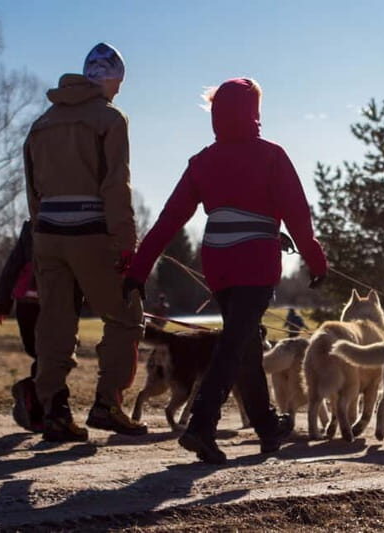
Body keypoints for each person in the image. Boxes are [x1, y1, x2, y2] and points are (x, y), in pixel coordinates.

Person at [124, 78, 327, 464]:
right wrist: (316, 261)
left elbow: (168, 221)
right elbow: (300, 216)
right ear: (255, 112)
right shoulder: (271, 156)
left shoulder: (203, 161)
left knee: (245, 342)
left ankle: (268, 427)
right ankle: (202, 424)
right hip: (255, 264)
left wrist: (138, 270)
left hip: (218, 263)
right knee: (234, 344)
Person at [24, 43, 146, 442]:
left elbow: (32, 189)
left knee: (55, 323)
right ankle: (107, 404)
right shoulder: (109, 118)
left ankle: (54, 410)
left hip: (47, 235)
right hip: (91, 232)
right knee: (126, 314)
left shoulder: (42, 123)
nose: (119, 90)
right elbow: (115, 186)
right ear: (109, 79)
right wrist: (127, 244)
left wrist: (40, 231)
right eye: (118, 82)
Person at [0, 220, 84, 433]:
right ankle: (37, 402)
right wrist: (2, 303)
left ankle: (34, 400)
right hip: (32, 302)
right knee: (49, 355)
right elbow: (14, 263)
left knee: (50, 355)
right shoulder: (36, 225)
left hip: (49, 301)